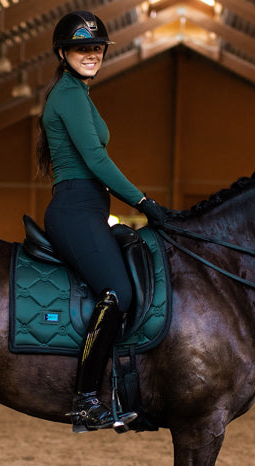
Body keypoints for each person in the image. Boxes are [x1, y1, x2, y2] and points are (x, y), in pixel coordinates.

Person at [36, 10, 170, 434]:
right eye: (82, 48)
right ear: (63, 52)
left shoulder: (78, 92)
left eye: (96, 48)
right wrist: (144, 200)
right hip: (75, 208)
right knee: (118, 291)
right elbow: (95, 160)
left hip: (89, 208)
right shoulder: (70, 95)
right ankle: (85, 399)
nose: (91, 54)